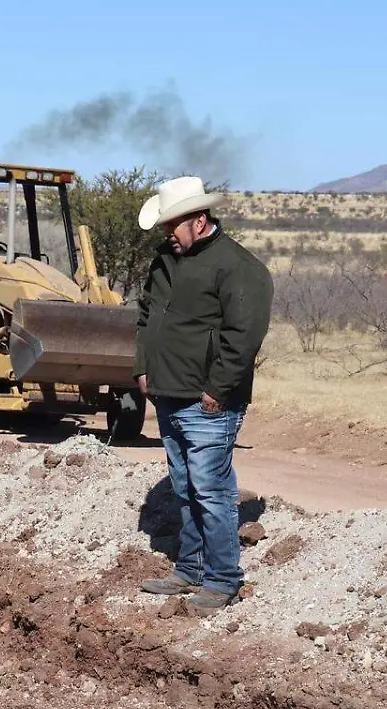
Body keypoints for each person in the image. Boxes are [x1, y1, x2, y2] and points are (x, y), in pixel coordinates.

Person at [134, 176, 273, 614]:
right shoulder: (165, 259)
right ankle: (189, 569)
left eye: (173, 225)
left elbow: (244, 336)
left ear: (199, 220)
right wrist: (142, 366)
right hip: (168, 392)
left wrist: (218, 389)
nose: (166, 234)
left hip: (208, 400)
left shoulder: (238, 267)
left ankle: (223, 578)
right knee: (184, 486)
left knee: (211, 489)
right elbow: (146, 315)